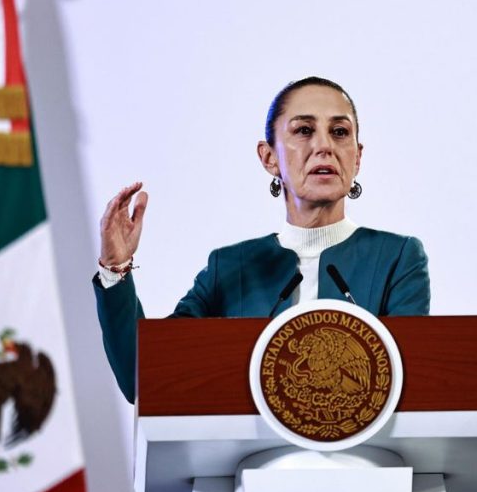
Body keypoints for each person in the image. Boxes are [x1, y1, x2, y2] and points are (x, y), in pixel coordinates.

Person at [93, 77, 430, 402]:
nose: (324, 146)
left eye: (339, 132)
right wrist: (115, 268)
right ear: (269, 158)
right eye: (304, 130)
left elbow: (407, 383)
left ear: (356, 157)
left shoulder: (397, 258)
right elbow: (144, 377)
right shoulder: (230, 268)